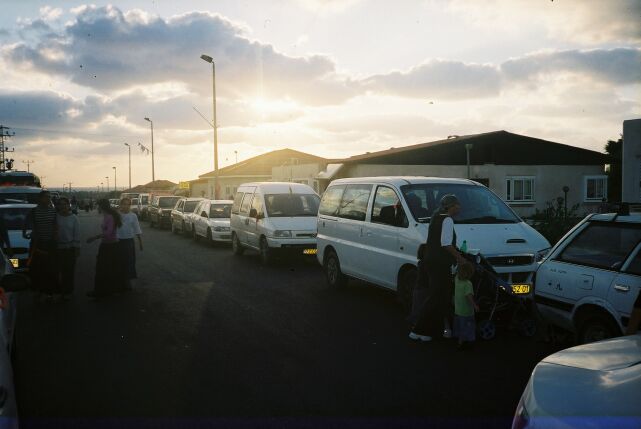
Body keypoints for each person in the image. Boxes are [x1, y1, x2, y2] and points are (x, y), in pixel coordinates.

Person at [409, 194, 467, 342]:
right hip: (440, 263)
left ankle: (429, 329)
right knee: (436, 297)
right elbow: (446, 243)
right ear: (451, 206)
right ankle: (419, 330)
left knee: (436, 296)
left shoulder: (436, 217)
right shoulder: (447, 220)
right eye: (457, 205)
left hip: (430, 260)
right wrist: (460, 258)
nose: (459, 207)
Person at [23, 191, 58, 300]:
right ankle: (37, 291)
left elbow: (56, 226)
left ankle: (49, 292)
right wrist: (25, 234)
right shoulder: (33, 212)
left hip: (50, 244)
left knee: (50, 269)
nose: (48, 199)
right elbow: (25, 223)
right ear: (40, 199)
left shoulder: (53, 211)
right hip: (37, 245)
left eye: (49, 197)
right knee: (36, 269)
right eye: (46, 197)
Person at [86, 199, 124, 298]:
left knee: (104, 269)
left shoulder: (110, 217)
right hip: (106, 245)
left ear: (102, 206)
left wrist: (94, 238)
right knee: (103, 269)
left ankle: (101, 292)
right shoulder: (107, 215)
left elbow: (109, 233)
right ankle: (102, 291)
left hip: (111, 246)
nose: (97, 207)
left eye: (98, 205)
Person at [56, 197, 80, 300]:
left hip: (70, 248)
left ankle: (68, 291)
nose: (63, 206)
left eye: (65, 204)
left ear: (68, 205)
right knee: (58, 271)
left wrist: (77, 249)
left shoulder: (74, 218)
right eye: (61, 204)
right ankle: (59, 290)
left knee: (69, 271)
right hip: (57, 249)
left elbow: (77, 234)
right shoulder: (55, 217)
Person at [117, 197, 143, 289]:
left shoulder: (133, 216)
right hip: (118, 242)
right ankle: (120, 282)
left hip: (129, 242)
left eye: (128, 204)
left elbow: (137, 229)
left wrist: (140, 243)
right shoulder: (117, 215)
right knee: (119, 262)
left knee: (129, 262)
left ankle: (128, 282)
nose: (126, 206)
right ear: (121, 205)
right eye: (124, 204)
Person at [454, 262, 479, 349]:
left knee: (460, 326)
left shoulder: (457, 279)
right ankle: (468, 341)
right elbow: (469, 297)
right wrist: (475, 306)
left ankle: (459, 342)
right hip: (467, 311)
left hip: (458, 309)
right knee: (469, 326)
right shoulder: (468, 284)